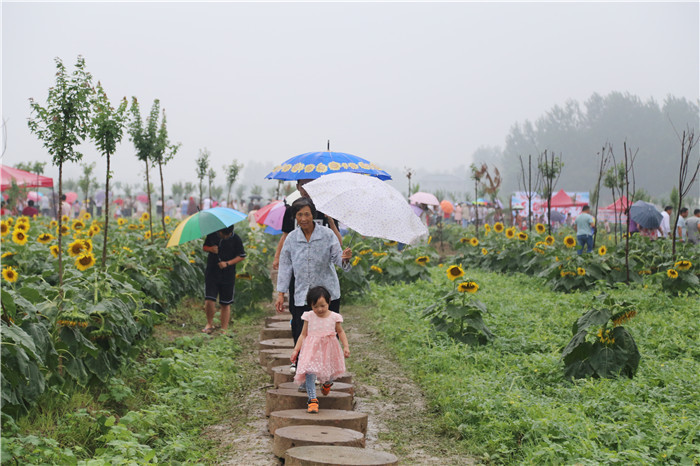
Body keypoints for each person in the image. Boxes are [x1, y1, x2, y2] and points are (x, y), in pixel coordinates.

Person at [275, 198, 352, 372]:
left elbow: (338, 260)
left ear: (313, 215)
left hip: (327, 293)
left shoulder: (327, 234)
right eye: (299, 215)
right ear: (295, 217)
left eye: (307, 214)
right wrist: (281, 293)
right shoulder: (292, 239)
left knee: (328, 331)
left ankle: (327, 364)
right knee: (300, 327)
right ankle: (300, 361)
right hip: (302, 292)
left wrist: (345, 259)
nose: (303, 219)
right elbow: (286, 266)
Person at [290, 286, 350, 414]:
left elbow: (340, 331)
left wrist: (346, 346)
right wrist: (296, 350)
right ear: (310, 305)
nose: (319, 309)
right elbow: (303, 334)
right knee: (310, 372)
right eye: (315, 306)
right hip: (311, 350)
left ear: (329, 301)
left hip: (329, 350)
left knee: (329, 372)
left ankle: (327, 384)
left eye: (322, 305)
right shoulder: (309, 316)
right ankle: (312, 400)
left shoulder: (334, 317)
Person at [201, 225, 246, 334]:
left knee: (225, 303)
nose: (225, 237)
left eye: (227, 235)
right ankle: (209, 324)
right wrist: (211, 249)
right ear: (219, 231)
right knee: (209, 299)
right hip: (212, 272)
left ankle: (224, 329)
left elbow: (242, 255)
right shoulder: (212, 234)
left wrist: (227, 263)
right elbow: (204, 247)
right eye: (223, 234)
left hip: (228, 274)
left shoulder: (236, 239)